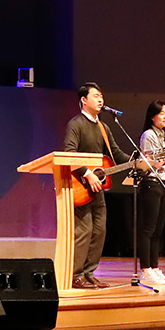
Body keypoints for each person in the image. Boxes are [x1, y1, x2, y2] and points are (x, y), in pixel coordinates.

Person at [63, 82, 114, 290]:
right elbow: (69, 152)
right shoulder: (75, 124)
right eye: (96, 96)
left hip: (98, 189)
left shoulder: (103, 127)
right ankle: (75, 275)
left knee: (99, 230)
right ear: (84, 100)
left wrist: (139, 162)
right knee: (84, 230)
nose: (100, 100)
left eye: (101, 96)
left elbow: (114, 153)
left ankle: (89, 273)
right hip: (81, 187)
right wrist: (87, 173)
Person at [137, 100, 165, 288]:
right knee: (148, 229)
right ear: (152, 116)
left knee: (158, 230)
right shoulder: (149, 135)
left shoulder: (163, 135)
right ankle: (146, 269)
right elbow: (153, 161)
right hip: (151, 183)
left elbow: (163, 162)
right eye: (162, 113)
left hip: (163, 182)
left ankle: (154, 267)